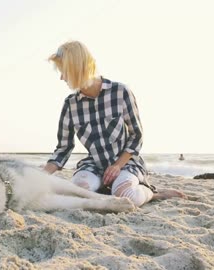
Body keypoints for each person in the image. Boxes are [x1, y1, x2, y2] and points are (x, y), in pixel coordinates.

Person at [43, 41, 186, 207]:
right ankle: (104, 188)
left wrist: (117, 166)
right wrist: (39, 176)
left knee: (125, 197)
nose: (61, 77)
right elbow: (63, 148)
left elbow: (136, 135)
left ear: (75, 68)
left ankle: (153, 194)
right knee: (79, 191)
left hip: (125, 164)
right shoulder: (70, 104)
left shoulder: (120, 92)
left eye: (63, 72)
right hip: (94, 166)